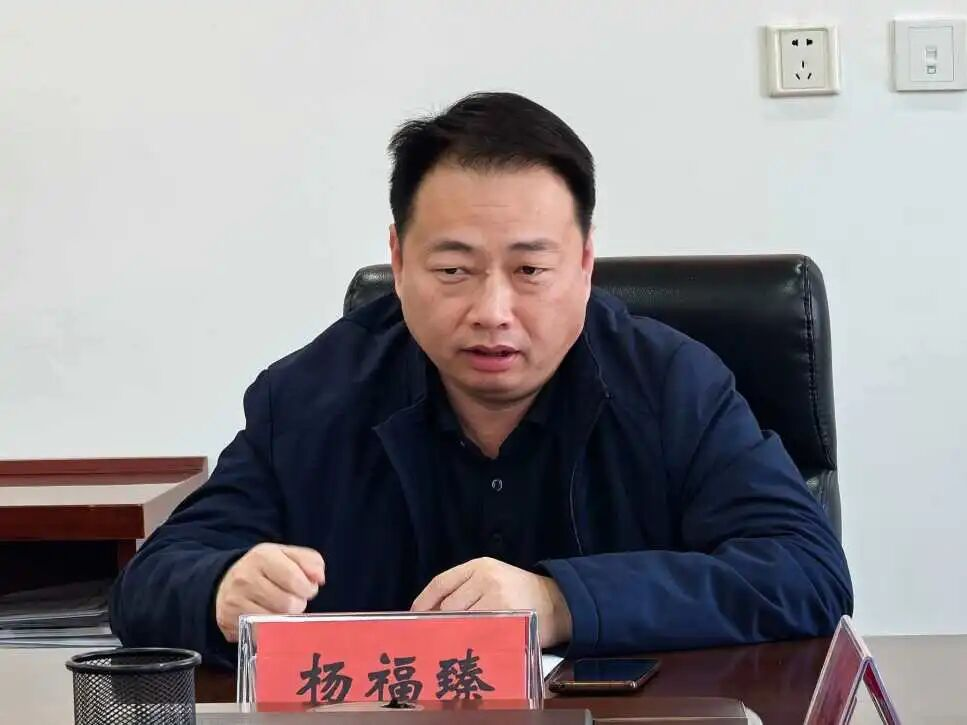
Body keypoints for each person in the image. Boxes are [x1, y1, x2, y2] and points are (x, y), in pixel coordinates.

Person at [110, 91, 852, 667]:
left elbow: (807, 571)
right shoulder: (309, 397)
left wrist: (560, 602)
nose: (492, 311)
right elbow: (150, 582)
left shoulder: (673, 387)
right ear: (398, 260)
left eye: (530, 269)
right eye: (453, 270)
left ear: (584, 263)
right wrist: (220, 590)